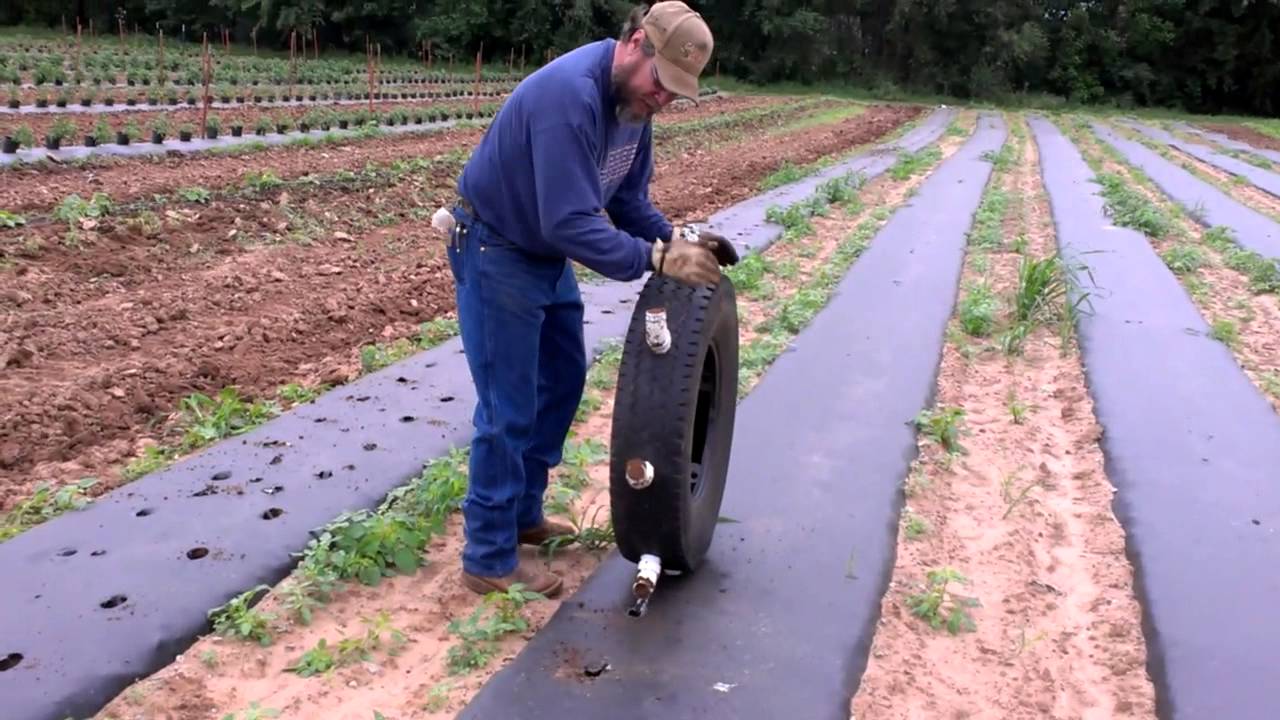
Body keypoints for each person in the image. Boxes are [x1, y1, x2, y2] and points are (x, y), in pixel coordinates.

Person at [442, 1, 737, 598]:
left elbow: (626, 202)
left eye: (675, 91)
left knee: (562, 380)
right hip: (497, 248)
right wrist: (654, 259)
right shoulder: (570, 98)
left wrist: (673, 239)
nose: (663, 98)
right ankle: (488, 556)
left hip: (540, 254)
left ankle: (522, 515)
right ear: (635, 43)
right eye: (661, 81)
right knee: (507, 407)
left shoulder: (634, 108)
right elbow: (570, 222)